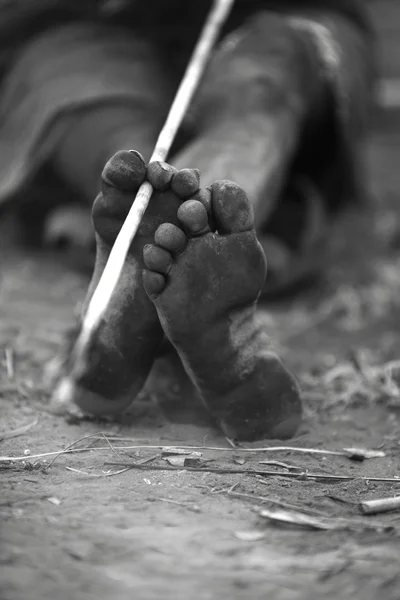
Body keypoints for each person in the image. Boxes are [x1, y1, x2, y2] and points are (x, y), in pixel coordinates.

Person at [0, 0, 376, 440]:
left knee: (266, 72)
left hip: (279, 16)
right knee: (251, 95)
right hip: (86, 23)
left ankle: (136, 286)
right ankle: (198, 249)